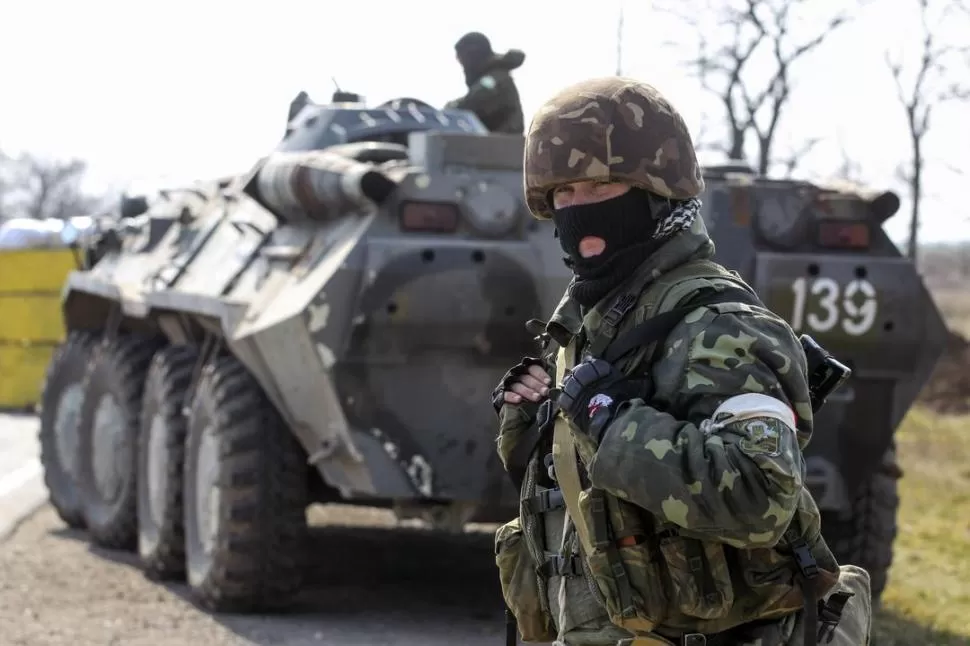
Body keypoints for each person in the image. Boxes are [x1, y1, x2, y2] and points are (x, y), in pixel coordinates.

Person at [490, 76, 873, 646]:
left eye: (599, 188)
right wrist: (536, 424)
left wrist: (611, 421)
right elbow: (578, 498)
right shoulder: (591, 320)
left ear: (657, 190)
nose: (576, 212)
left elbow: (759, 498)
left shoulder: (720, 327)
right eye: (562, 195)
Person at [444, 31, 525, 135]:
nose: (462, 64)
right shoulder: (494, 77)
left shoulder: (494, 80)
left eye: (462, 58)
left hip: (500, 146)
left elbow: (473, 103)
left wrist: (450, 109)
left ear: (472, 56)